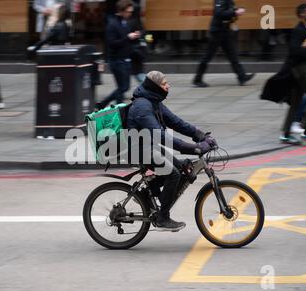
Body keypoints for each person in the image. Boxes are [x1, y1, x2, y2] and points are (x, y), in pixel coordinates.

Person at [127, 71, 217, 231]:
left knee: (183, 168)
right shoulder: (142, 106)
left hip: (150, 147)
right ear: (155, 86)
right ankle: (163, 217)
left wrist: (199, 135)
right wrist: (193, 148)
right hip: (140, 150)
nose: (168, 85)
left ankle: (146, 194)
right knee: (173, 174)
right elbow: (162, 137)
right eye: (164, 83)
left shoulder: (154, 101)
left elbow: (176, 122)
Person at [280, 3, 306, 144]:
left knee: (295, 103)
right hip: (302, 70)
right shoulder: (299, 30)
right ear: (302, 14)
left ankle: (285, 135)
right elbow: (294, 51)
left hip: (305, 69)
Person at [193, 0, 255, 88]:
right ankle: (197, 80)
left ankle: (242, 77)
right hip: (217, 32)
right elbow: (218, 13)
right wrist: (235, 12)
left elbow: (229, 14)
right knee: (207, 56)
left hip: (225, 31)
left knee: (232, 55)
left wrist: (236, 12)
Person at [96, 0, 141, 110]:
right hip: (116, 60)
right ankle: (118, 110)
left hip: (125, 59)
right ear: (121, 11)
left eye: (131, 12)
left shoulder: (125, 22)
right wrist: (128, 37)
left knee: (124, 87)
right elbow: (112, 43)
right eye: (128, 12)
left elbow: (125, 40)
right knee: (123, 87)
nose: (130, 14)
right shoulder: (112, 24)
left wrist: (134, 36)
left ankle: (104, 104)